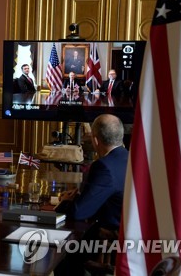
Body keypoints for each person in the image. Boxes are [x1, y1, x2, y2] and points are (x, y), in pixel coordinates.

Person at [54, 114, 128, 275]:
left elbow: (79, 212)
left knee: (61, 257)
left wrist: (66, 201)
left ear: (95, 140)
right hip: (127, 233)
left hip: (109, 239)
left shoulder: (104, 166)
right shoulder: (129, 158)